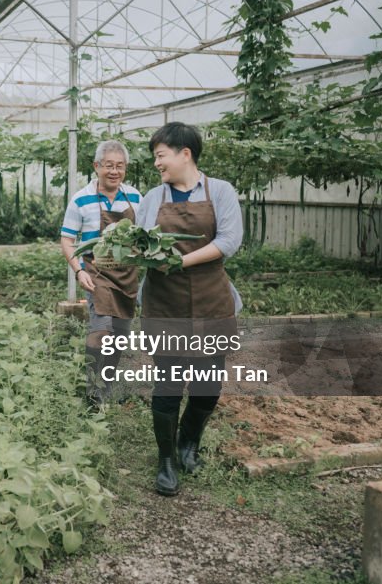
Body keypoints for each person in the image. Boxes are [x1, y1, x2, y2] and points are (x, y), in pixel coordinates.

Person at [135, 122, 243, 496]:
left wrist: (182, 261)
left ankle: (188, 442)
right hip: (166, 301)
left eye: (160, 155)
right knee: (168, 384)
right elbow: (142, 243)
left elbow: (229, 241)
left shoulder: (221, 191)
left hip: (211, 298)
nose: (156, 164)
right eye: (155, 157)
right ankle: (166, 459)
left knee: (207, 386)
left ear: (185, 153)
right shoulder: (152, 198)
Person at [60, 139, 142, 407]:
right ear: (96, 166)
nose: (114, 171)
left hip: (127, 274)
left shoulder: (136, 197)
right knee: (101, 328)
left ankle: (106, 384)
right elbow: (67, 240)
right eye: (108, 166)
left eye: (120, 166)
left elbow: (144, 236)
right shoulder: (81, 198)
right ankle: (93, 391)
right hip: (96, 272)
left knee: (121, 332)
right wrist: (78, 270)